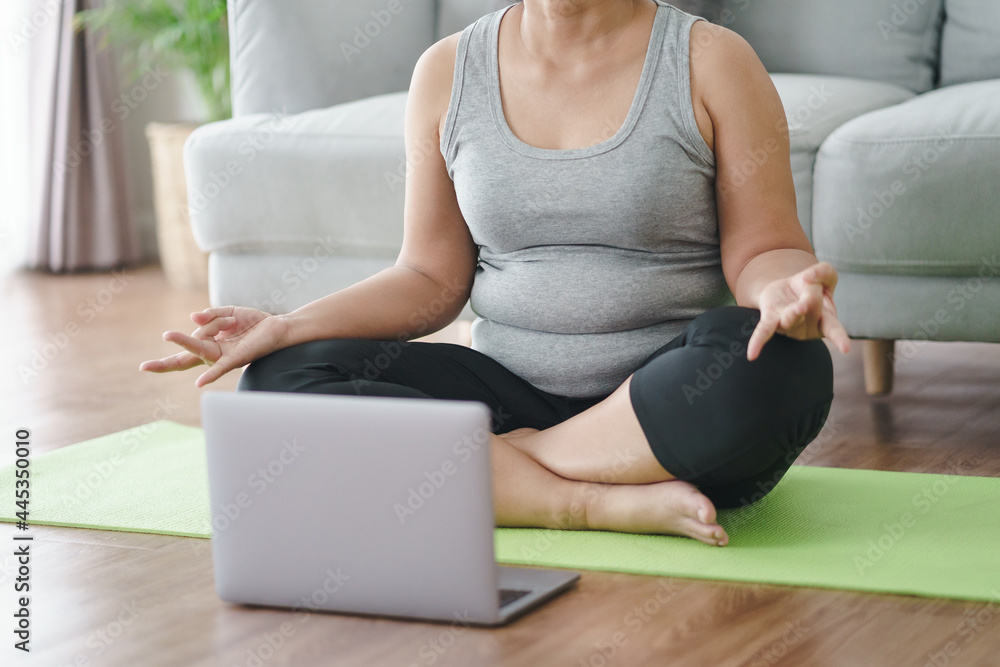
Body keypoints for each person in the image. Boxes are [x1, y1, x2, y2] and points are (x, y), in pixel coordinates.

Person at [141, 0, 852, 547]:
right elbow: (429, 276)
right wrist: (288, 325)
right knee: (276, 384)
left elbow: (764, 248)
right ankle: (585, 501)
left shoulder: (713, 61)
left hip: (665, 405)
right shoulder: (449, 71)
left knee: (785, 366)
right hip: (511, 394)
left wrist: (781, 290)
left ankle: (494, 468)